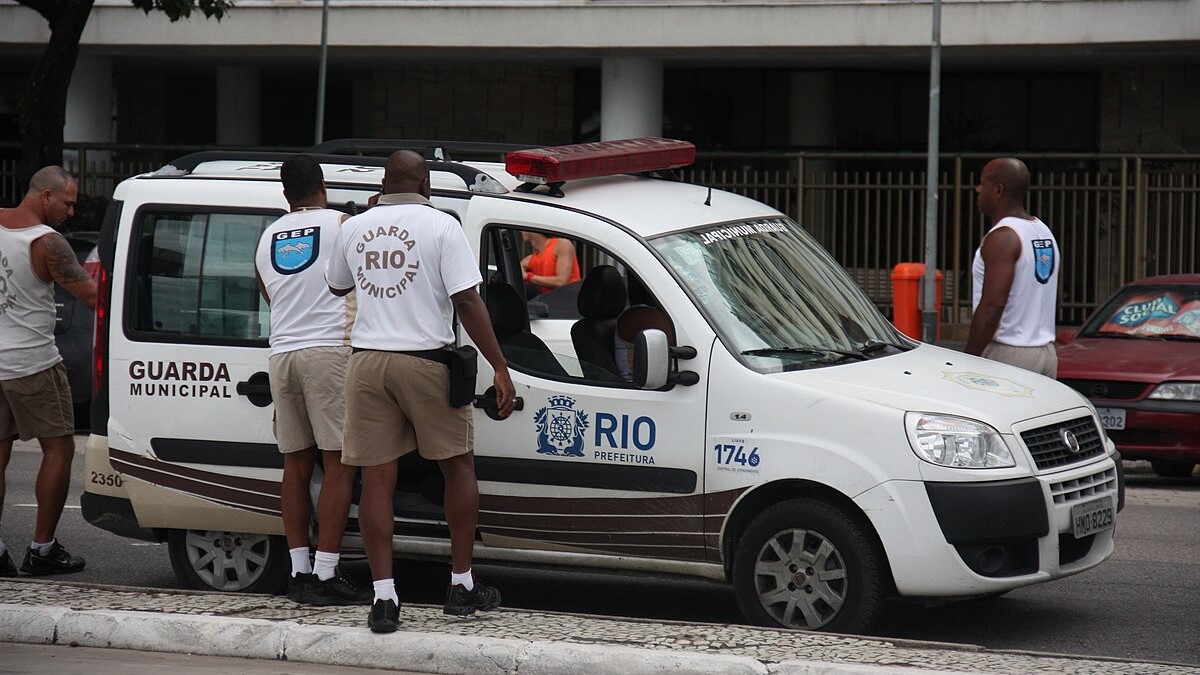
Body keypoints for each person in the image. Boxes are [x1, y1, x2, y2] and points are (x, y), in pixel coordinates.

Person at [325, 150, 516, 634]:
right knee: (458, 466)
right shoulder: (441, 226)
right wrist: (500, 366)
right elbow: (467, 300)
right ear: (426, 183)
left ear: (384, 184)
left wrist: (369, 217)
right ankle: (460, 585)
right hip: (427, 362)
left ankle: (385, 600)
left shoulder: (354, 226)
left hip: (367, 363)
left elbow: (336, 285)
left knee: (376, 480)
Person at [253, 155, 370, 606]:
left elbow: (266, 289)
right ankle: (326, 573)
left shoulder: (268, 235)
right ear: (323, 184)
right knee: (340, 463)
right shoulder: (344, 224)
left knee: (296, 466)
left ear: (286, 194)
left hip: (282, 353)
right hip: (331, 350)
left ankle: (299, 571)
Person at [0, 166, 96, 577]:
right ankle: (42, 548)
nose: (71, 212)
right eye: (68, 202)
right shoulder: (47, 242)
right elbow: (91, 297)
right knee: (59, 449)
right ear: (45, 197)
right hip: (33, 363)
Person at [966, 157, 1060, 377]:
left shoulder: (1003, 237)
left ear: (998, 190)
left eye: (983, 183)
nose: (978, 189)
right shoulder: (1043, 232)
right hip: (1046, 353)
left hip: (1009, 355)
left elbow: (992, 307)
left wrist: (968, 358)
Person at [520, 231, 580, 297]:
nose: (520, 231)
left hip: (569, 301)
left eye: (523, 229)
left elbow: (561, 282)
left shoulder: (561, 244)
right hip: (549, 303)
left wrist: (528, 277)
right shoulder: (530, 260)